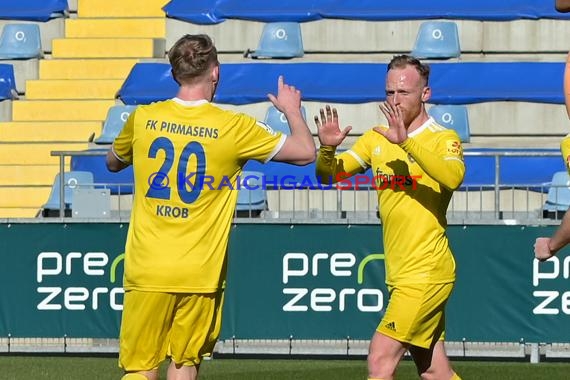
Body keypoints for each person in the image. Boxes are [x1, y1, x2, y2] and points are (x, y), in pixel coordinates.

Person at [106, 34, 315, 380]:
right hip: (199, 271)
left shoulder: (142, 119)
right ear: (215, 72)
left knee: (140, 368)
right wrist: (292, 110)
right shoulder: (233, 127)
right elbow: (306, 151)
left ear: (175, 73)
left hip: (147, 267)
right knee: (185, 363)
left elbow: (112, 161)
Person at [314, 55, 464, 380]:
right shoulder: (376, 138)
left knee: (380, 360)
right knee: (435, 370)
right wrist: (326, 150)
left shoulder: (443, 137)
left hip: (426, 272)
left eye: (404, 92)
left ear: (425, 93)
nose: (395, 100)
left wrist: (407, 143)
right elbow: (329, 176)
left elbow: (452, 177)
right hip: (401, 273)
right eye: (390, 93)